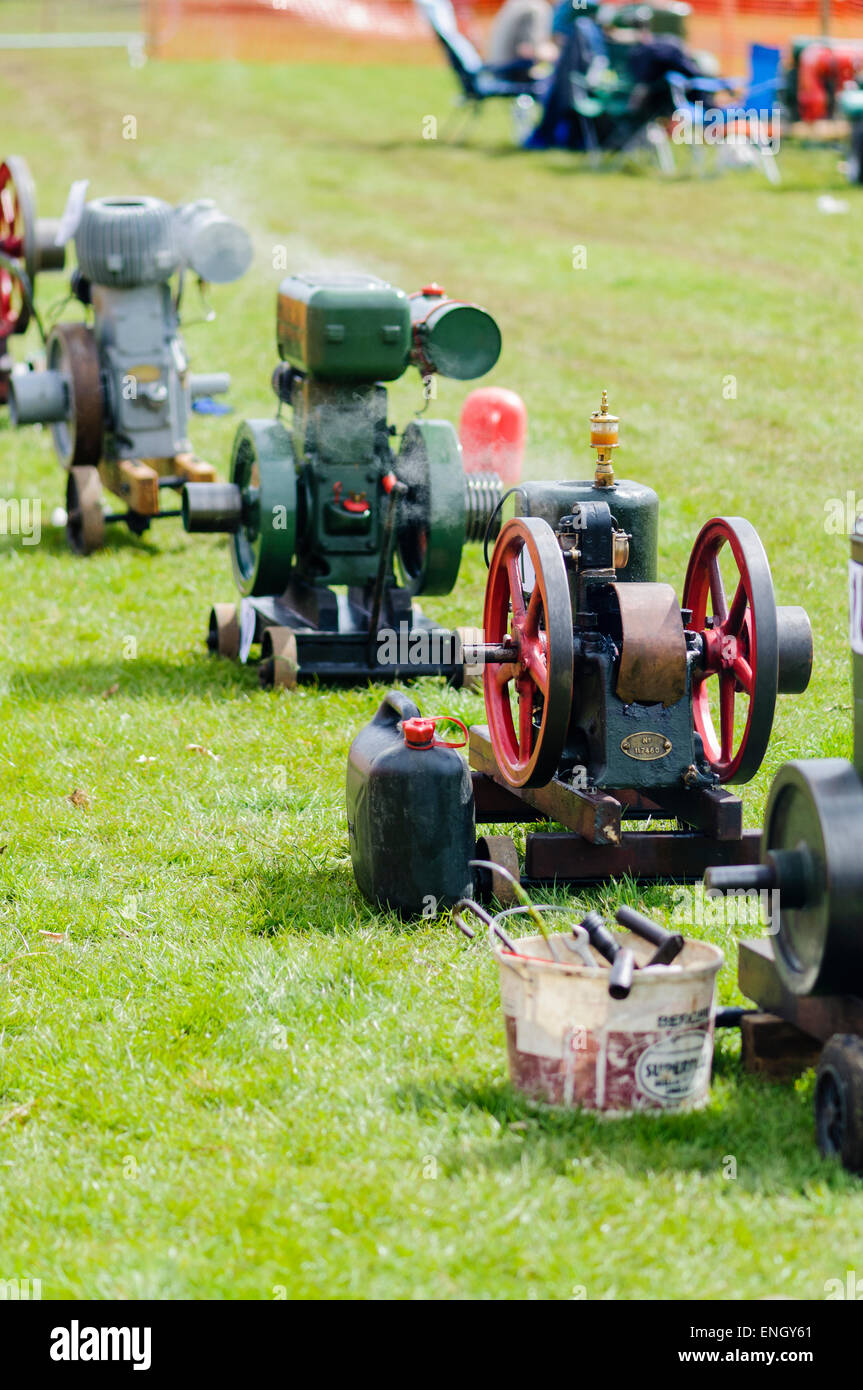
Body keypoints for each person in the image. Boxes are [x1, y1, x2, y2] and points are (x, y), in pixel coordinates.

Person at [486, 0, 555, 70]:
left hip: (494, 67)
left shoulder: (515, 2)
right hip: (509, 71)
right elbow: (527, 50)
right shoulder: (537, 7)